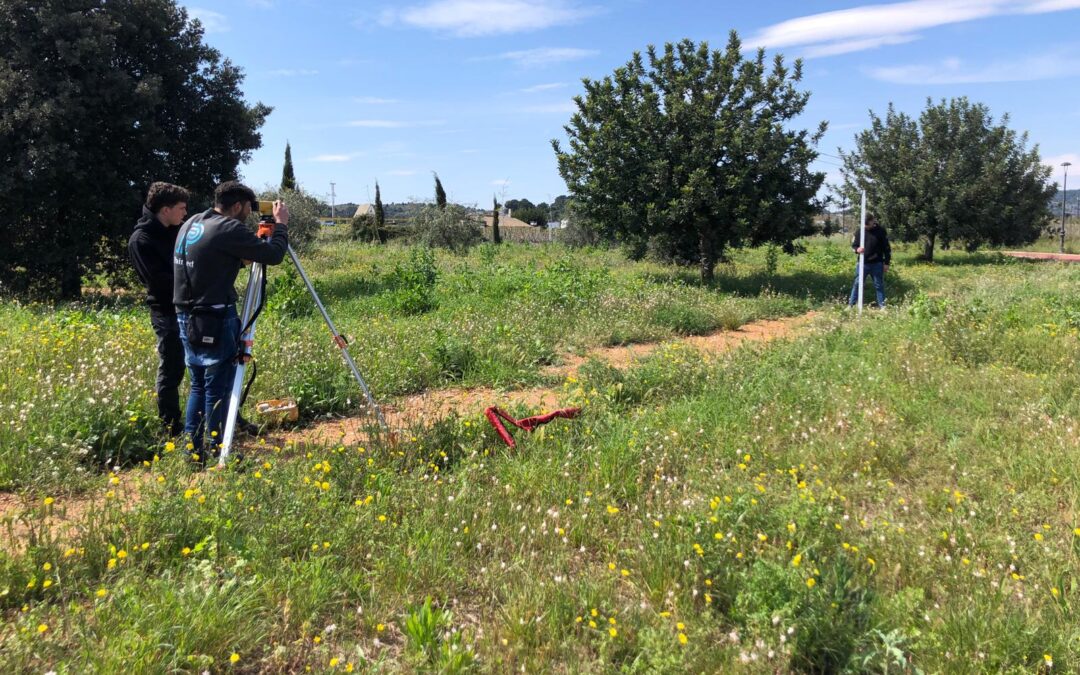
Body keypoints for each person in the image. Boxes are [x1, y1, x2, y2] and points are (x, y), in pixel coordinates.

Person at [173, 181, 289, 462]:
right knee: (218, 387)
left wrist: (242, 258)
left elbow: (208, 260)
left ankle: (193, 452)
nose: (248, 216)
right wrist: (281, 225)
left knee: (198, 384)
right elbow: (274, 255)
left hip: (186, 315)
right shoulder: (229, 228)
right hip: (214, 316)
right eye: (248, 210)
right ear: (236, 206)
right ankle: (218, 452)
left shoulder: (193, 223)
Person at [129, 182, 190, 435]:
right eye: (181, 208)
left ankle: (214, 418)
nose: (185, 214)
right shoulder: (141, 240)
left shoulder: (174, 231)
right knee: (172, 366)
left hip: (188, 308)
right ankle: (170, 427)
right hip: (166, 313)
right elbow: (159, 282)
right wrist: (193, 279)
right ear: (165, 209)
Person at [847, 213, 891, 309]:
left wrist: (886, 263)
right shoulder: (859, 231)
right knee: (857, 284)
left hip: (877, 263)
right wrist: (857, 249)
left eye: (868, 224)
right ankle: (851, 305)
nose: (866, 226)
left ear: (873, 221)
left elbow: (887, 248)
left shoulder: (881, 231)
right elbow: (854, 245)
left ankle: (882, 306)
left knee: (879, 285)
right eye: (864, 224)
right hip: (863, 264)